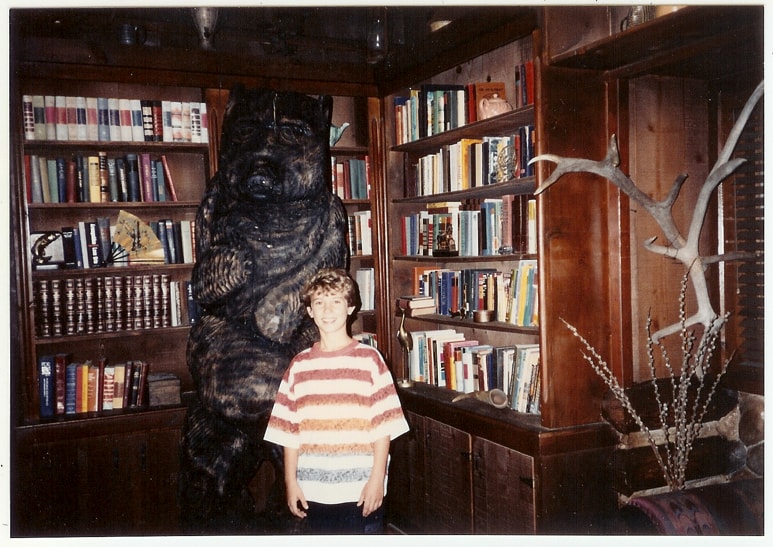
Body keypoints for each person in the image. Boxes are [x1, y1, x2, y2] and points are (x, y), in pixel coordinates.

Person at [264, 268, 409, 534]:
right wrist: (290, 482)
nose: (327, 310)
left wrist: (377, 479)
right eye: (319, 302)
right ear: (310, 311)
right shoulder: (299, 366)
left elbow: (384, 427)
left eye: (336, 301)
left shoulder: (370, 360)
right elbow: (288, 432)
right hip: (314, 490)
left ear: (351, 307)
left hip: (360, 490)